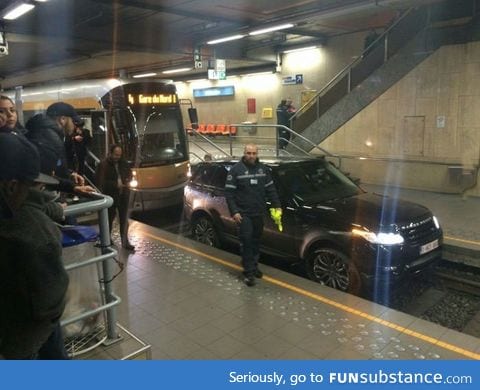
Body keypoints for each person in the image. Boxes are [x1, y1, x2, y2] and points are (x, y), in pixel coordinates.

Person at [0, 132, 69, 359]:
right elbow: (49, 306)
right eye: (30, 186)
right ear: (11, 186)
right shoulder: (35, 237)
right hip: (18, 344)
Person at [225, 144, 281, 286]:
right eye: (248, 153)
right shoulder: (235, 170)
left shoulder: (263, 170)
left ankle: (254, 266)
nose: (251, 156)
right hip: (243, 215)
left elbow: (271, 190)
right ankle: (249, 273)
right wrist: (234, 212)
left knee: (256, 241)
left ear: (257, 154)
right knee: (247, 241)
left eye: (254, 153)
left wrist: (277, 206)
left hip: (258, 213)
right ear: (244, 153)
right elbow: (229, 194)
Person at [25, 101, 94, 195]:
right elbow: (45, 176)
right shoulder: (51, 138)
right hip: (38, 195)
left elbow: (50, 168)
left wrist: (69, 174)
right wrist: (72, 187)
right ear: (62, 119)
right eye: (74, 122)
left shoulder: (38, 131)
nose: (75, 127)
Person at [95, 144, 135, 251]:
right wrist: (114, 185)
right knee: (109, 218)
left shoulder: (124, 163)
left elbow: (130, 174)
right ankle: (106, 239)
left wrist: (128, 180)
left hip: (123, 195)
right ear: (111, 153)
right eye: (116, 155)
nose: (118, 157)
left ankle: (125, 242)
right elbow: (100, 182)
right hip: (111, 196)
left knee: (124, 220)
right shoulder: (103, 165)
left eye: (119, 155)